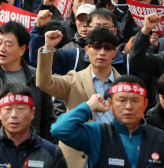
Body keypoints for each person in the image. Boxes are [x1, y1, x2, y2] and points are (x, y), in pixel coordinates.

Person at [51, 76, 164, 168]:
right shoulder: (97, 133)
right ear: (110, 104)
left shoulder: (160, 138)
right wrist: (89, 106)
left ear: (145, 104)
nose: (129, 106)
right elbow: (60, 129)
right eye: (122, 100)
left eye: (135, 100)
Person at [37, 27, 122, 167]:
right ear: (87, 50)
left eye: (107, 48)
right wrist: (48, 48)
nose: (101, 52)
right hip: (77, 158)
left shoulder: (124, 84)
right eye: (96, 46)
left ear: (114, 52)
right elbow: (44, 82)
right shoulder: (74, 79)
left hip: (115, 155)